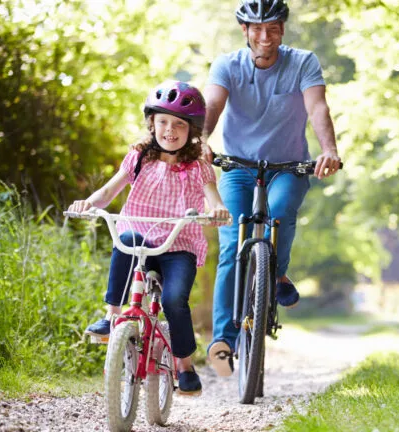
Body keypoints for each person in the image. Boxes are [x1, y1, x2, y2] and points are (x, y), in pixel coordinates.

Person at [202, 0, 342, 377]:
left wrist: (329, 149)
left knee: (280, 214)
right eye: (257, 28)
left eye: (274, 28)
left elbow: (317, 109)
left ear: (283, 29)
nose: (266, 36)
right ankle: (223, 341)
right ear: (245, 31)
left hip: (289, 166)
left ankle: (276, 272)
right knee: (232, 243)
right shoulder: (227, 65)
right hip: (237, 167)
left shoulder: (303, 62)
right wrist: (200, 138)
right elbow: (213, 105)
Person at [69, 81, 230, 396]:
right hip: (140, 240)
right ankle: (112, 316)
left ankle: (184, 364)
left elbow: (214, 199)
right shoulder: (140, 156)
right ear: (152, 124)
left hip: (178, 245)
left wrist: (219, 210)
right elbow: (109, 191)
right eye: (163, 122)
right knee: (125, 237)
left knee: (173, 301)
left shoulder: (198, 164)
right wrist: (88, 203)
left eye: (179, 124)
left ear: (192, 130)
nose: (170, 130)